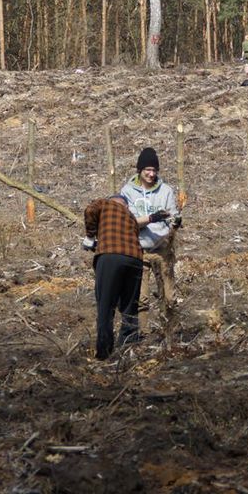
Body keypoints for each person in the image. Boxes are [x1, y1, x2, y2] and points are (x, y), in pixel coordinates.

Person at [121, 147, 182, 334]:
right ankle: (144, 335)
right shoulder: (127, 192)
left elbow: (173, 216)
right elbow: (127, 223)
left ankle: (170, 332)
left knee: (169, 296)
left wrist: (176, 222)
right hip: (138, 251)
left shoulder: (166, 191)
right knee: (141, 299)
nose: (151, 173)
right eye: (147, 169)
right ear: (140, 170)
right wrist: (152, 218)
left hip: (162, 249)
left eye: (154, 170)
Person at [83, 194, 144, 360]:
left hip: (110, 256)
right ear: (127, 206)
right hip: (135, 259)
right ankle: (128, 349)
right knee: (129, 307)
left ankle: (104, 352)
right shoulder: (131, 218)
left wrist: (90, 236)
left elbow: (90, 210)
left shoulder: (105, 204)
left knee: (105, 306)